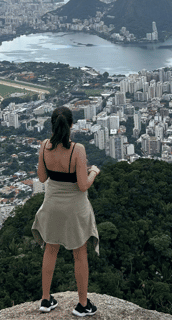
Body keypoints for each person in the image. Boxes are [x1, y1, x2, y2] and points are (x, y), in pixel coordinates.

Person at [32, 106, 100, 317]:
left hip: (52, 207)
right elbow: (82, 185)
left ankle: (45, 299)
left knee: (50, 249)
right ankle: (82, 304)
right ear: (71, 125)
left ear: (52, 125)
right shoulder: (77, 149)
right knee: (79, 254)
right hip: (74, 209)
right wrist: (94, 173)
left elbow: (42, 178)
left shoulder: (44, 147)